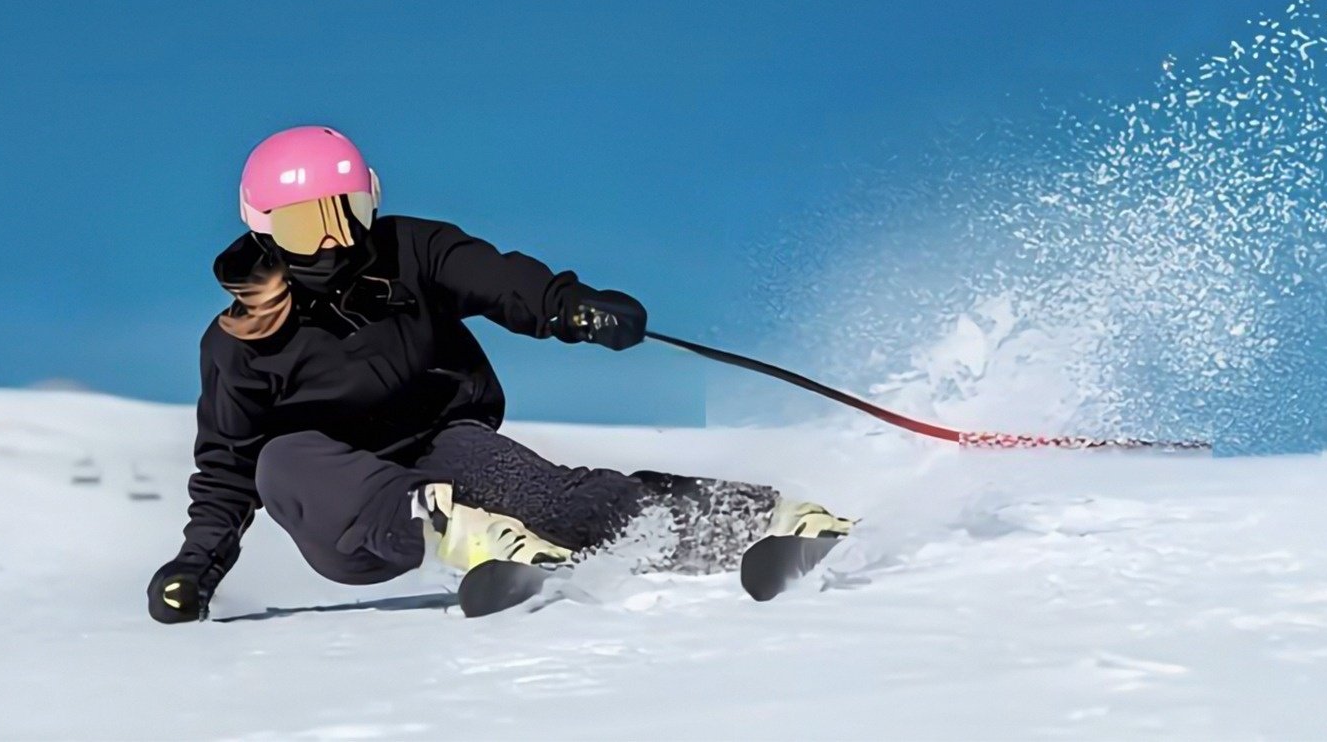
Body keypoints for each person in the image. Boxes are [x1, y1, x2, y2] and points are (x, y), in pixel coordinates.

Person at [147, 126, 849, 623]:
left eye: (345, 214)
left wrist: (571, 308)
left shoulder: (409, 250)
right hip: (348, 513)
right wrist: (194, 568)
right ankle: (442, 523)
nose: (332, 240)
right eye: (306, 227)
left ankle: (755, 520)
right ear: (264, 229)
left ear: (370, 205)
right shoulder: (239, 341)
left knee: (558, 500)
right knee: (280, 457)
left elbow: (495, 278)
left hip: (444, 444)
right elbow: (229, 472)